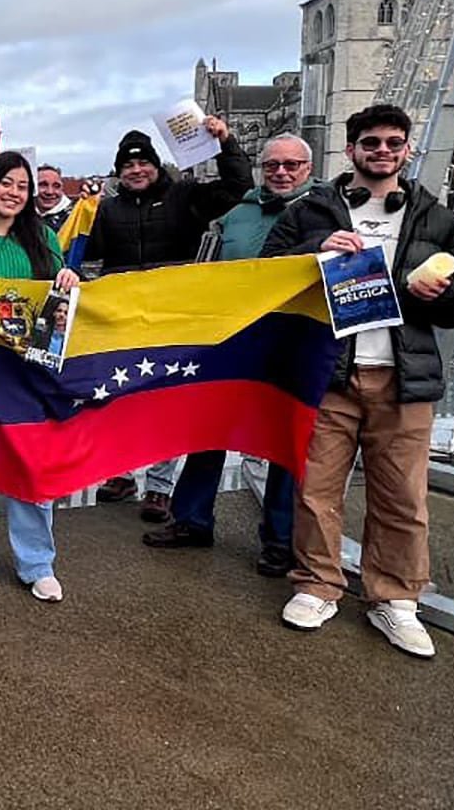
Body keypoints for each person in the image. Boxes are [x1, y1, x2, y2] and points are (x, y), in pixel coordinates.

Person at [261, 105, 454, 658]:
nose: (381, 151)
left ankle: (395, 599)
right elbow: (266, 272)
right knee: (316, 490)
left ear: (406, 150)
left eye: (392, 143)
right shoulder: (312, 212)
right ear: (351, 150)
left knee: (403, 496)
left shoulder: (438, 220)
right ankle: (318, 584)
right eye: (370, 143)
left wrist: (445, 295)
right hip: (329, 372)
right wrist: (312, 254)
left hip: (403, 375)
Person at [142, 133, 315, 576]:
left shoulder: (326, 210)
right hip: (231, 337)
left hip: (290, 338)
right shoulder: (236, 214)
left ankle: (280, 539)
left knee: (281, 439)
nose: (281, 172)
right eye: (273, 164)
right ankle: (192, 519)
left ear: (307, 169)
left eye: (291, 165)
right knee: (208, 430)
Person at [84, 120, 252, 522]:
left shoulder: (186, 196)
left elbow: (238, 186)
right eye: (127, 166)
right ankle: (120, 474)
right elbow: (93, 262)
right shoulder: (107, 209)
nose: (136, 170)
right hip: (125, 322)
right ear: (118, 171)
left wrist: (225, 141)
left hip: (176, 321)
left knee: (168, 406)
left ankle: (159, 488)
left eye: (143, 163)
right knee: (119, 402)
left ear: (156, 166)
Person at [0, 151, 80, 602]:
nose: (15, 192)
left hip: (27, 371)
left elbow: (55, 309)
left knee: (31, 458)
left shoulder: (45, 240)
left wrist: (68, 285)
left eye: (23, 186)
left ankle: (37, 561)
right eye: (6, 183)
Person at [35, 164, 74, 233]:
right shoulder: (20, 215)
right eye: (43, 185)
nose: (50, 192)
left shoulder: (73, 218)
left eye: (56, 186)